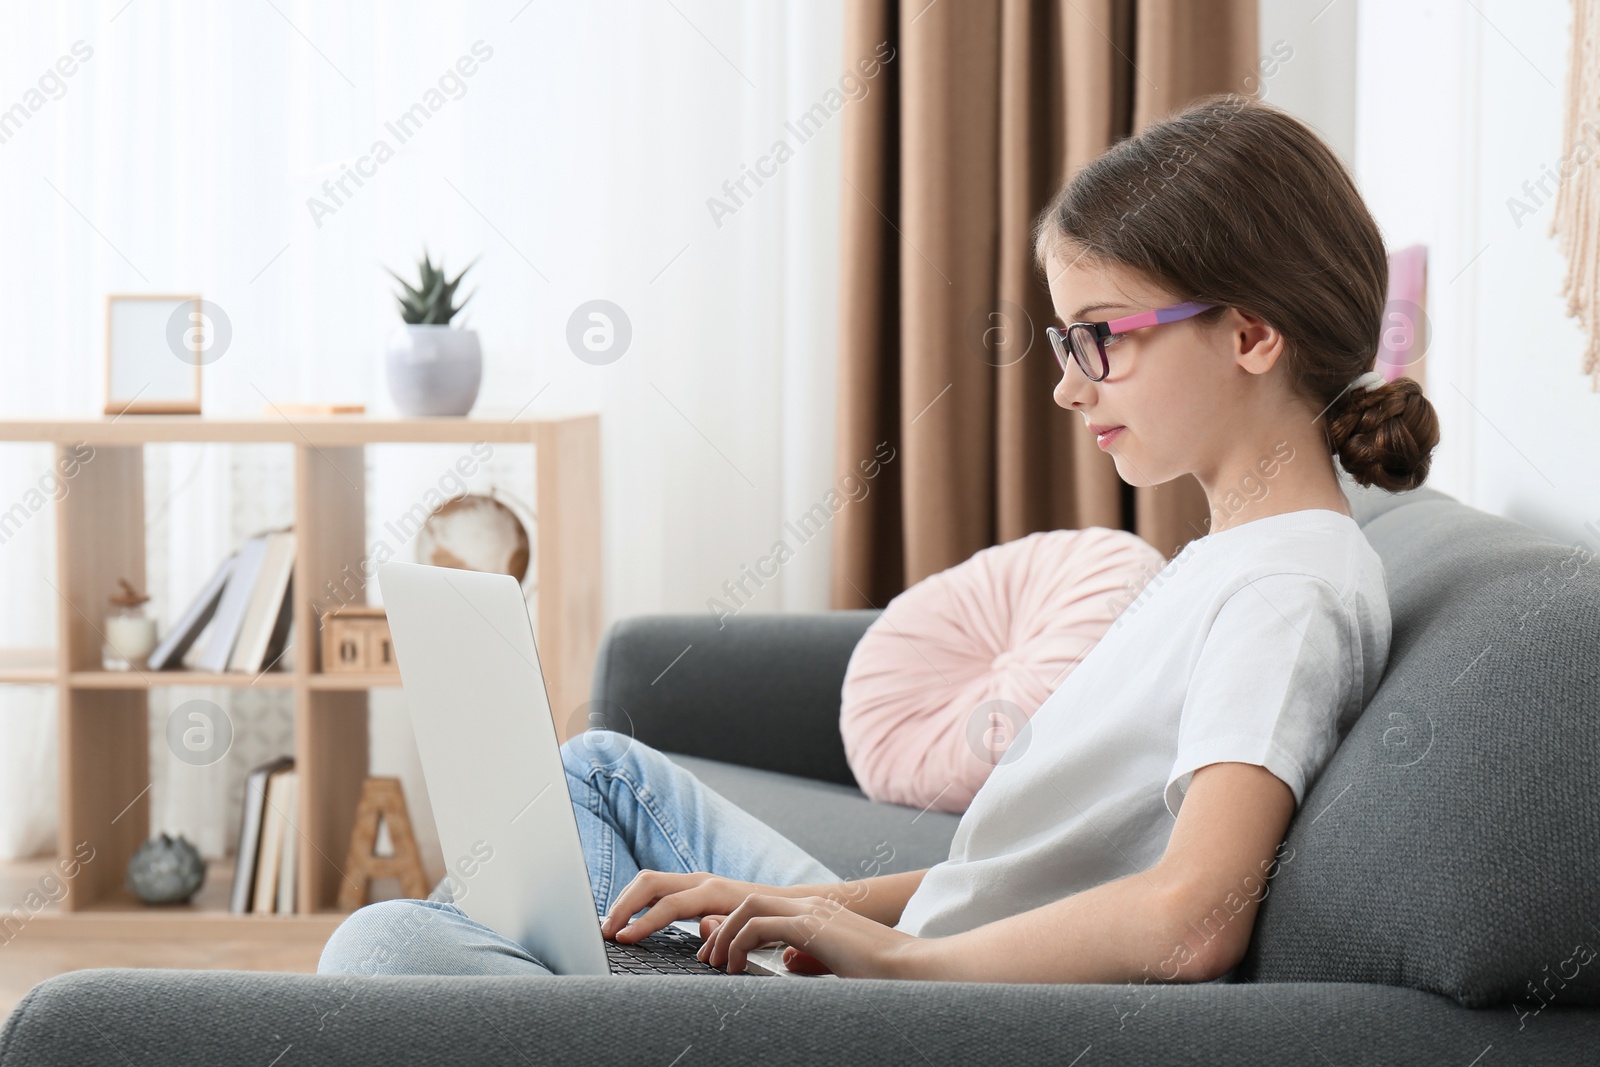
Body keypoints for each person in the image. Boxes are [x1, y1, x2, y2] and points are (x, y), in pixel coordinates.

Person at [318, 93, 1440, 983]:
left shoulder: (1288, 590)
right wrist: (819, 908)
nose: (1065, 386)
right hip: (929, 944)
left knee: (383, 947)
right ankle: (568, 987)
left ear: (1249, 334)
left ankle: (564, 996)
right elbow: (1012, 874)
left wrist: (896, 959)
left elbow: (1190, 919)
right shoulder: (1237, 559)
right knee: (601, 773)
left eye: (1099, 338)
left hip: (927, 996)